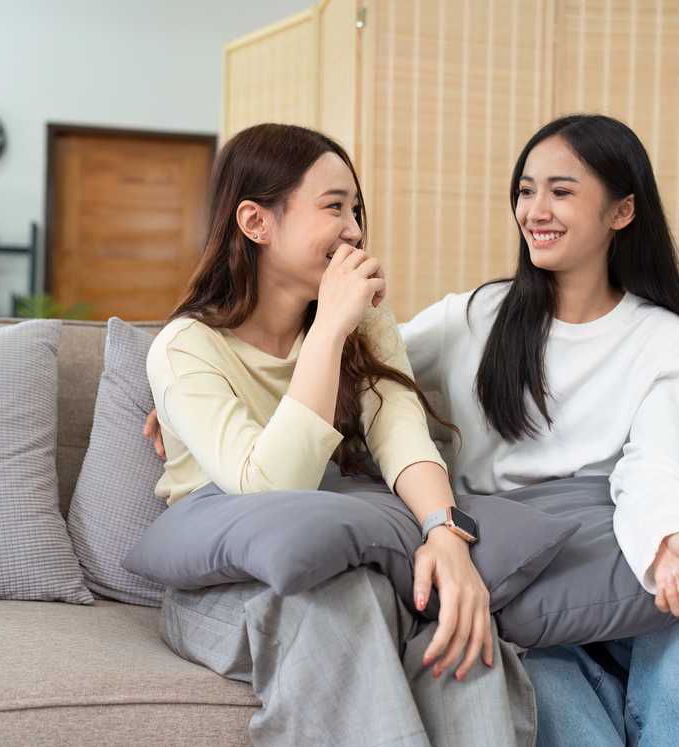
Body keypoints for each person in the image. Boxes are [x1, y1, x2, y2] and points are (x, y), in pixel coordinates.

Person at [141, 122, 537, 747]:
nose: (354, 229)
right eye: (334, 207)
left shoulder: (364, 323)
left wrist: (446, 537)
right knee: (344, 606)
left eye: (356, 209)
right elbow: (271, 491)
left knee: (452, 617)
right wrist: (328, 329)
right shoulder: (186, 348)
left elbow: (403, 434)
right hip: (224, 585)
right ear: (256, 221)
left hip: (338, 558)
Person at [395, 113, 679, 746]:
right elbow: (361, 374)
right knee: (565, 708)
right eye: (525, 190)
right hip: (519, 588)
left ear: (622, 211)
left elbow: (652, 468)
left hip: (617, 568)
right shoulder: (474, 317)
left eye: (560, 191)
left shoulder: (660, 336)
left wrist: (677, 545)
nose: (535, 210)